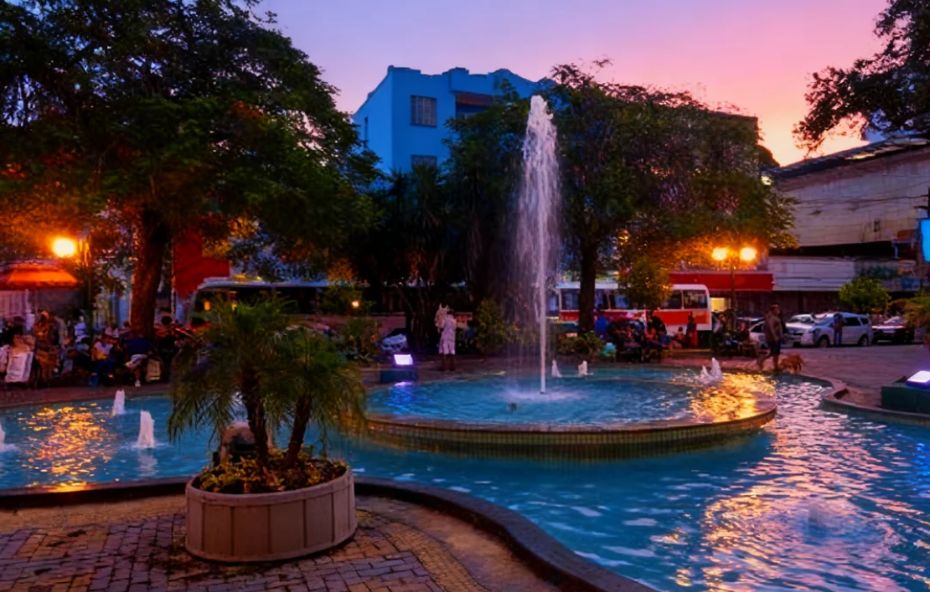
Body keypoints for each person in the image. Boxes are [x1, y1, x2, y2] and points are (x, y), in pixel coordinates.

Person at [758, 304, 785, 372]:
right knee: (773, 353)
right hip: (773, 338)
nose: (778, 310)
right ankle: (761, 361)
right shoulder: (771, 318)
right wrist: (775, 337)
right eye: (777, 309)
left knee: (775, 353)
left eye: (778, 309)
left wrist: (781, 336)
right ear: (773, 310)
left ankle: (775, 366)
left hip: (776, 338)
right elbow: (771, 327)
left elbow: (778, 328)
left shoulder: (775, 317)